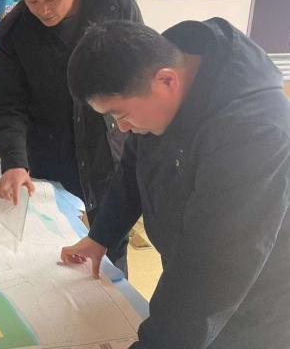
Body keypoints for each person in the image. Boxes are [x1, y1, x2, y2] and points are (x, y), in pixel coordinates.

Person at [61, 18, 290, 348]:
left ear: (166, 81)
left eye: (121, 114)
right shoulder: (161, 78)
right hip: (198, 270)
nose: (121, 128)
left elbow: (212, 267)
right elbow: (133, 167)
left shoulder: (256, 132)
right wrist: (100, 237)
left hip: (253, 301)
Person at [0, 0, 142, 273]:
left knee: (111, 244)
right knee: (54, 246)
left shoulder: (115, 6)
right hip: (52, 153)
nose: (43, 10)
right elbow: (8, 105)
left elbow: (139, 73)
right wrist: (14, 162)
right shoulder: (16, 32)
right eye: (31, 1)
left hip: (107, 148)